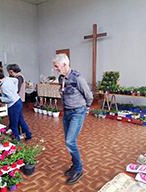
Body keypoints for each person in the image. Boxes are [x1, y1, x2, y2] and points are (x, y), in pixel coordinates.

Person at [53, 53, 93, 185]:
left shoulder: (77, 77)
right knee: (69, 141)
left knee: (70, 141)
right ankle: (75, 165)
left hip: (77, 112)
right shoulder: (61, 78)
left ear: (65, 64)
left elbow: (88, 95)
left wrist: (86, 107)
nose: (55, 69)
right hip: (67, 113)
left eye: (56, 66)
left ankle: (79, 169)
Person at [0, 69, 33, 141]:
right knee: (20, 120)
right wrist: (15, 91)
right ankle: (28, 134)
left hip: (14, 105)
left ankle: (16, 141)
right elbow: (16, 81)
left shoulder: (5, 86)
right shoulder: (7, 79)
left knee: (13, 125)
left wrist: (1, 99)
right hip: (18, 101)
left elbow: (11, 99)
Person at [6, 64, 25, 136]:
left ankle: (20, 133)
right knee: (17, 116)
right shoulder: (15, 77)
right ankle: (15, 130)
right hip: (15, 100)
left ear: (11, 71)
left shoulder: (19, 77)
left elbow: (16, 89)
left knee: (17, 117)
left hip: (17, 100)